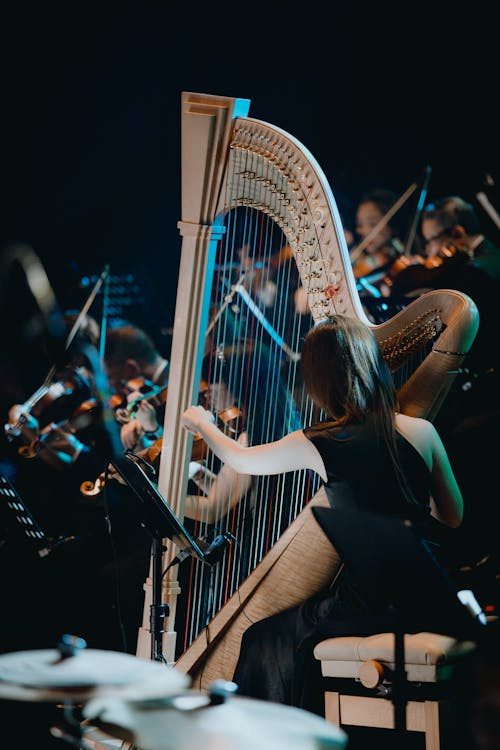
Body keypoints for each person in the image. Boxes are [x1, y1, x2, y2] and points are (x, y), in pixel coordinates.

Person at [181, 313, 464, 714]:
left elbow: (240, 460)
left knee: (262, 636)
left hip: (370, 601)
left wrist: (204, 424)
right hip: (428, 591)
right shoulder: (421, 431)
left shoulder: (320, 441)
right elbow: (452, 517)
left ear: (318, 381)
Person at [389, 195, 500, 563]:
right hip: (484, 379)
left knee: (448, 431)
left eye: (432, 241)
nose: (429, 252)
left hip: (490, 387)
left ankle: (467, 544)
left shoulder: (479, 271)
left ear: (455, 232)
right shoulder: (479, 263)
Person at [104, 324, 170, 451]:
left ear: (131, 367)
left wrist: (150, 428)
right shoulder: (147, 391)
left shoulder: (176, 390)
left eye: (111, 377)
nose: (110, 386)